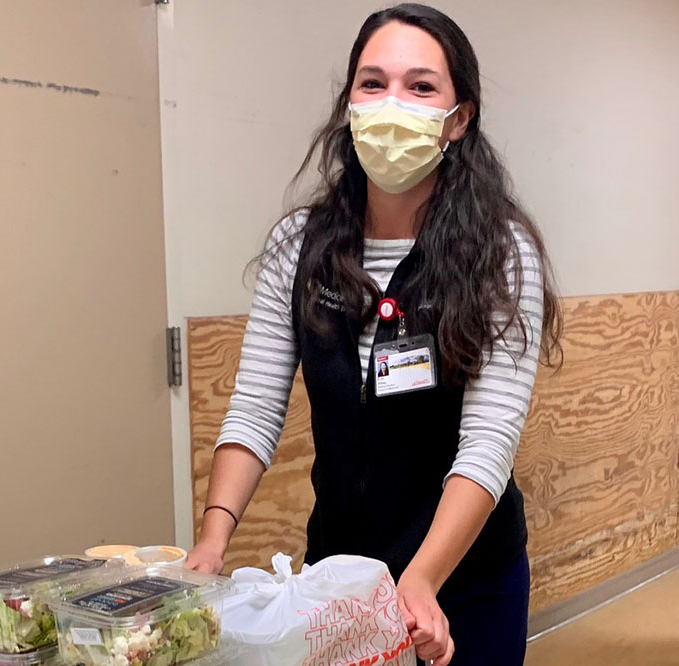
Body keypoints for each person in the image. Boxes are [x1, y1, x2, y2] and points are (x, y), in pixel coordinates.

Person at [184, 5, 562, 666]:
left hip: (464, 583)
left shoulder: (500, 253)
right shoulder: (298, 247)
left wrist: (421, 579)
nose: (393, 103)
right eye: (372, 82)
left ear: (459, 118)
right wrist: (213, 539)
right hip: (340, 577)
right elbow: (252, 410)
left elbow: (488, 442)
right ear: (349, 104)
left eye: (421, 87)